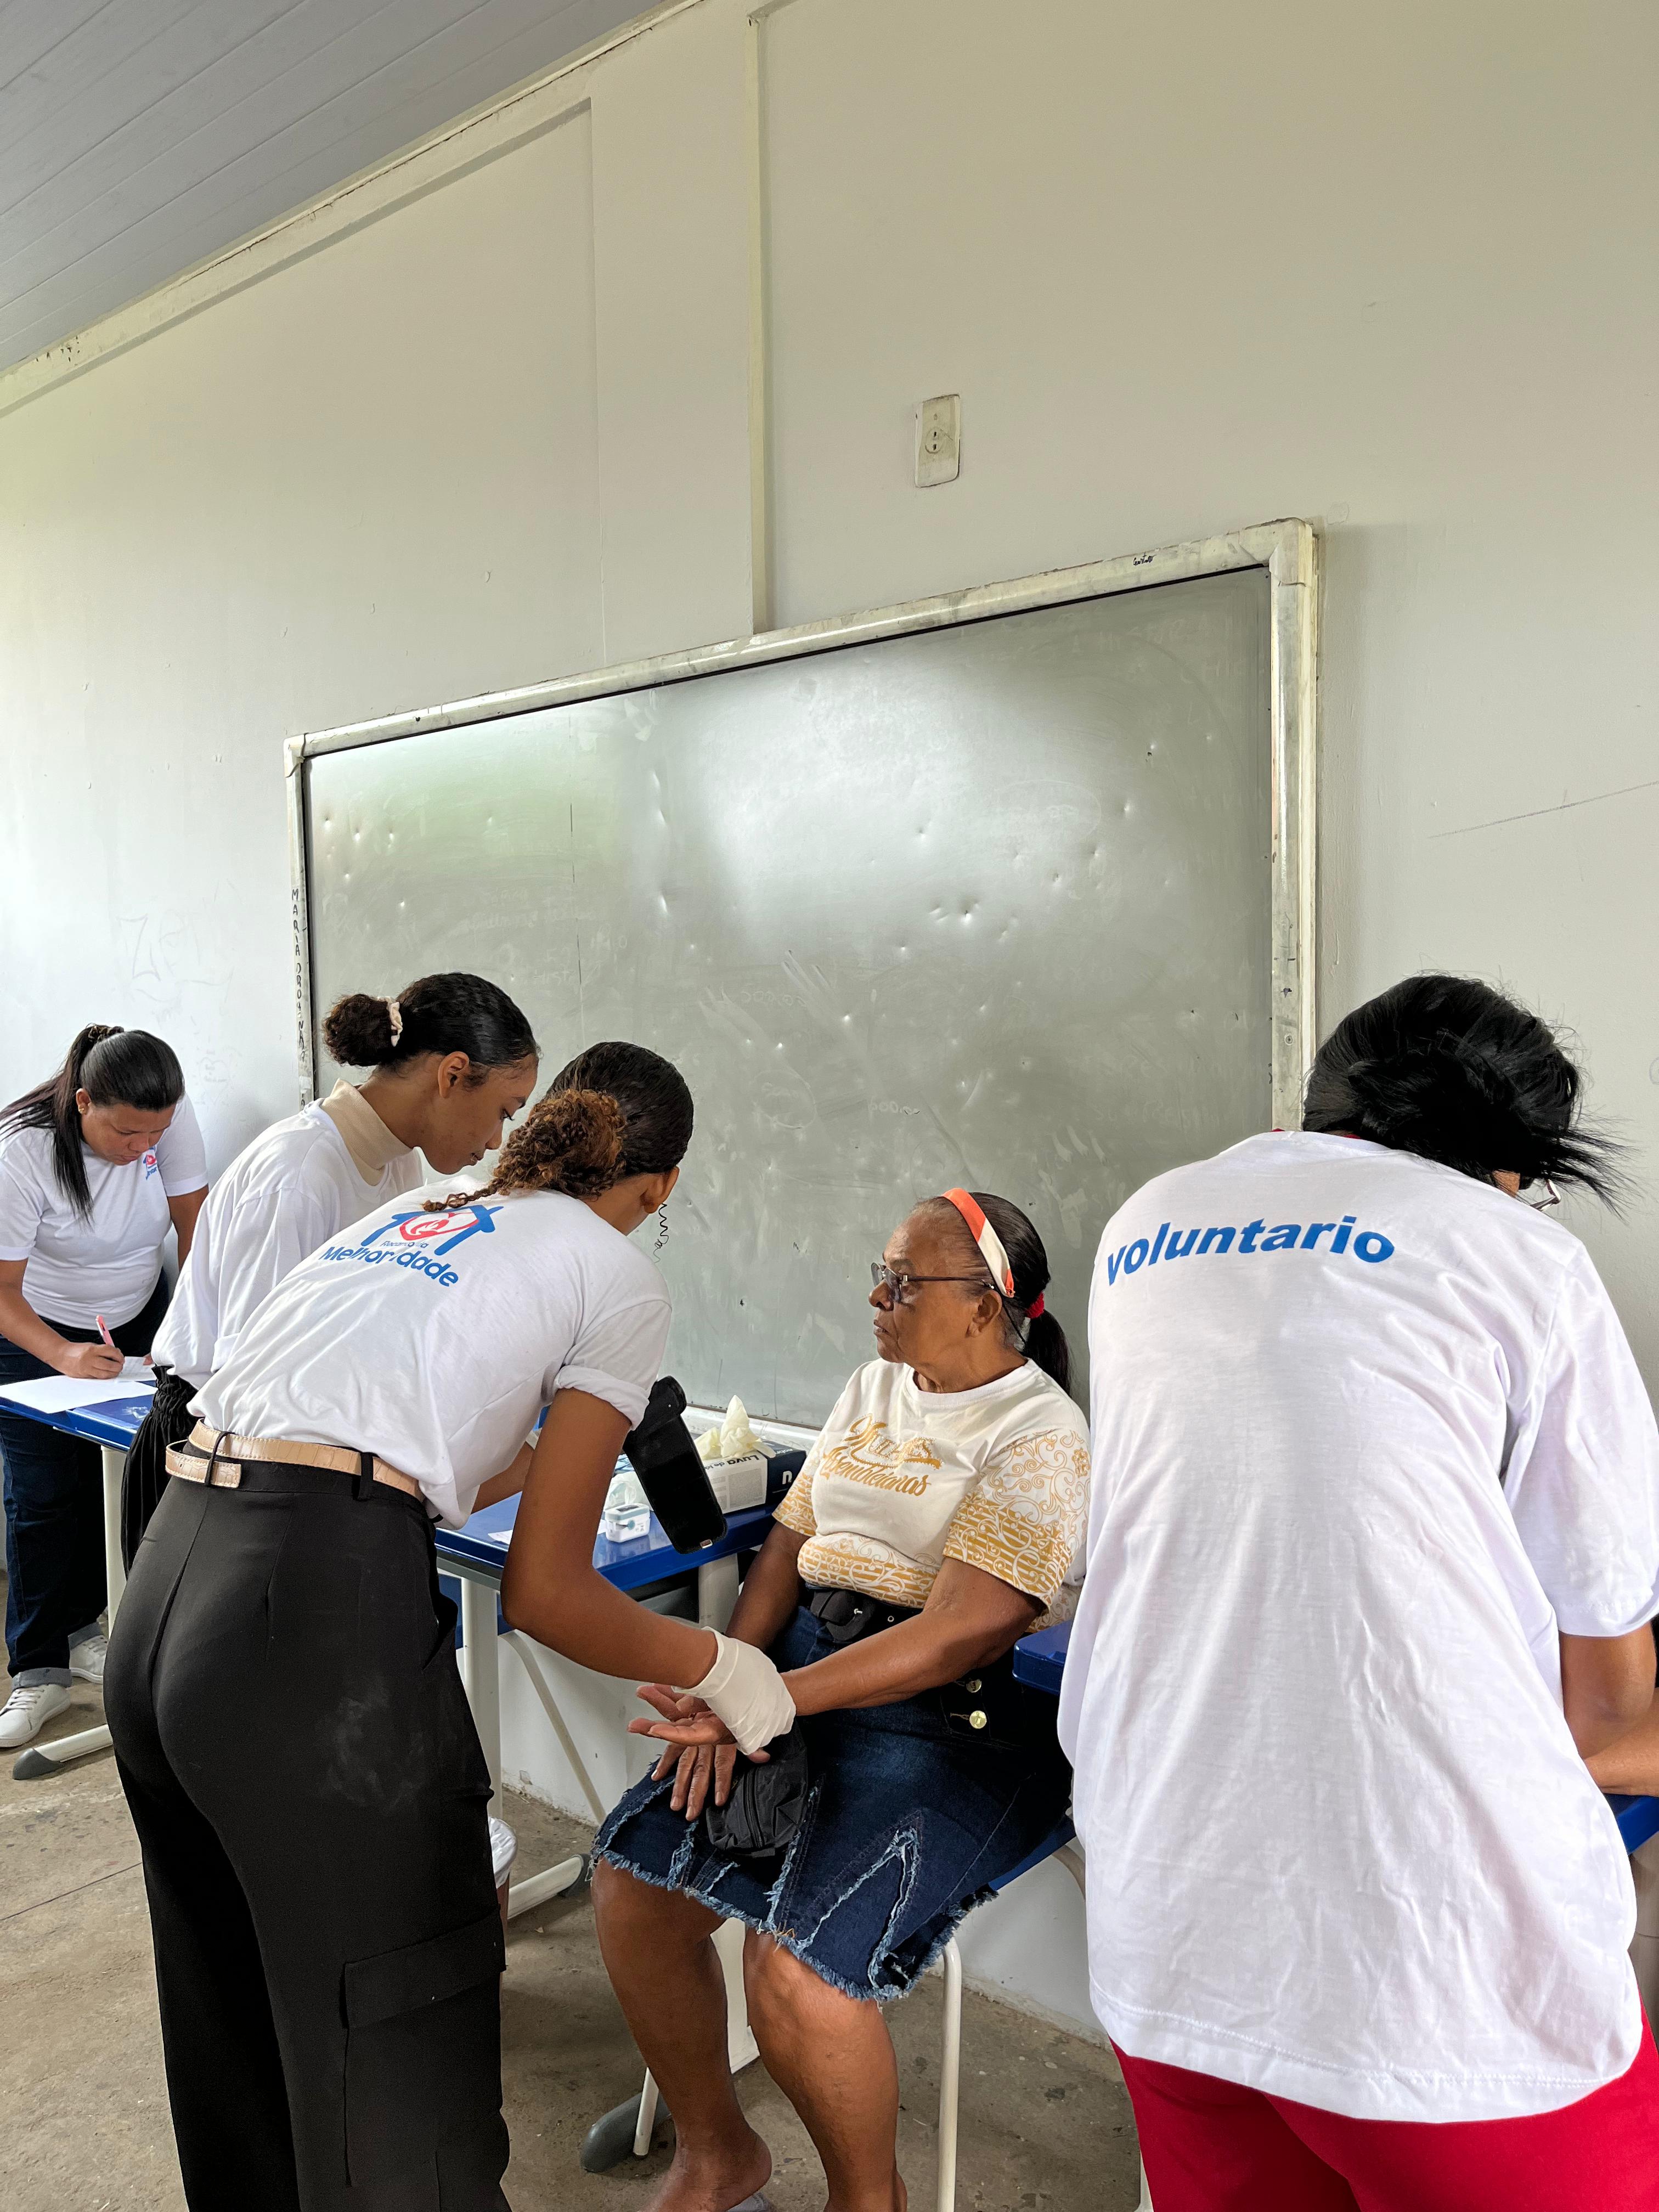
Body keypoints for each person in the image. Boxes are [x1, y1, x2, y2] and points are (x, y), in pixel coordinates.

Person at [106, 1042, 787, 2212]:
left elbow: (426, 1464)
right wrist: (724, 1661)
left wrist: (577, 1442)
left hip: (168, 1585)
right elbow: (548, 1596)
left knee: (236, 2019)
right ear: (658, 1188)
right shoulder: (615, 1277)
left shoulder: (426, 1206)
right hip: (302, 1637)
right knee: (395, 2037)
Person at [1062, 973, 1659, 2212]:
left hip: (1169, 1937)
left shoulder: (1146, 1227)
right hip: (1440, 1995)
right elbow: (1604, 1726)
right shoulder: (1524, 1260)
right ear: (1512, 1162)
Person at [583, 1189, 1090, 2212]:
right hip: (804, 1673)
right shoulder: (873, 1384)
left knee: (796, 1968)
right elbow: (785, 1544)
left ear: (987, 1304)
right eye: (881, 1271)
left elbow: (959, 1630)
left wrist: (765, 1698)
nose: (877, 1295)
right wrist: (731, 1674)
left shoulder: (1041, 1431)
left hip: (956, 1718)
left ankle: (869, 2201)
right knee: (632, 1888)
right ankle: (715, 2154)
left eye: (903, 1281)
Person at [123, 973, 538, 1563]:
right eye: (504, 1111)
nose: (498, 1141)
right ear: (451, 1074)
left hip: (290, 1463)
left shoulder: (396, 1169)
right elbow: (248, 1384)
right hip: (213, 1458)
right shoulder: (298, 1173)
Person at [0, 1024, 206, 1747]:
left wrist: (190, 1333)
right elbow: (1, 1291)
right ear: (84, 1103)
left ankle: (107, 1634)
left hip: (139, 1312)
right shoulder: (23, 1154)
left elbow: (197, 1237)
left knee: (140, 1474)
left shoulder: (162, 1124)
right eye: (126, 1132)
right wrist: (60, 1352)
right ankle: (38, 1671)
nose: (144, 1147)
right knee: (43, 1493)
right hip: (33, 1324)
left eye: (159, 1130)